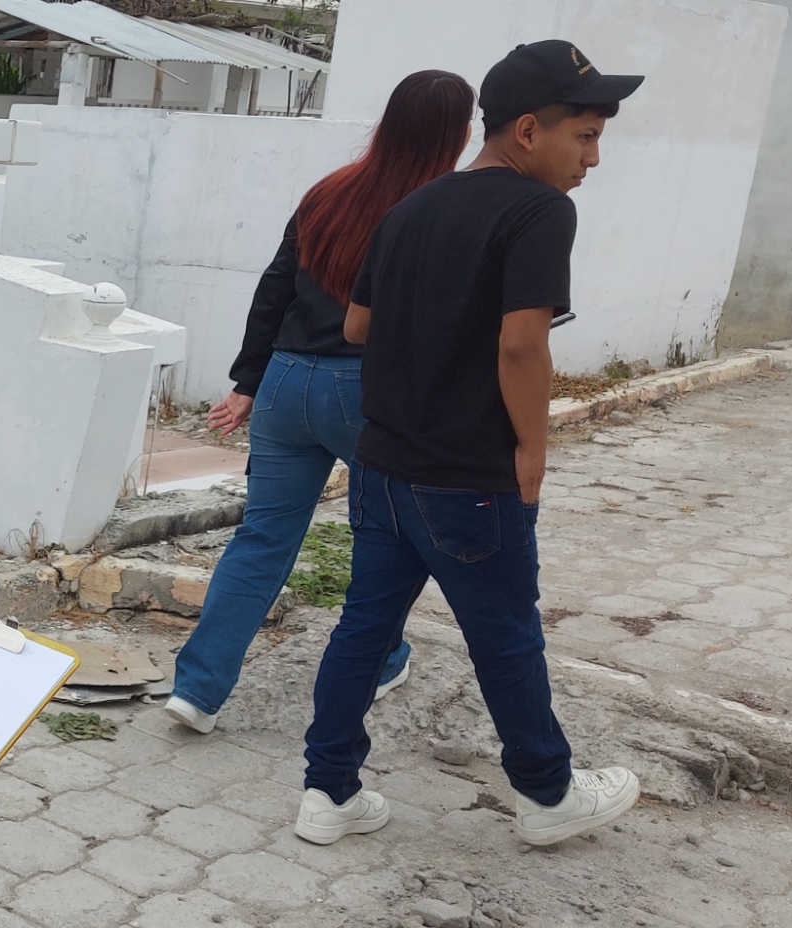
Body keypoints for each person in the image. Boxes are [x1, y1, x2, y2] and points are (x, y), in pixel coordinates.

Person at [293, 40, 645, 848]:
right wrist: (533, 452)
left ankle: (328, 792)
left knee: (363, 629)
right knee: (507, 635)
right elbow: (522, 345)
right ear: (528, 130)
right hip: (467, 476)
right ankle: (549, 795)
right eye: (584, 137)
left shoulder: (411, 207)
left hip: (383, 466)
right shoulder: (540, 211)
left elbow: (358, 324)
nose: (592, 159)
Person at [164, 70, 476, 736]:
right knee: (389, 540)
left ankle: (197, 688)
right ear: (458, 133)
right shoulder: (441, 208)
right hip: (368, 391)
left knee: (261, 538)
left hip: (286, 381)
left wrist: (247, 382)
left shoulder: (327, 192)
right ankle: (379, 662)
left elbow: (275, 288)